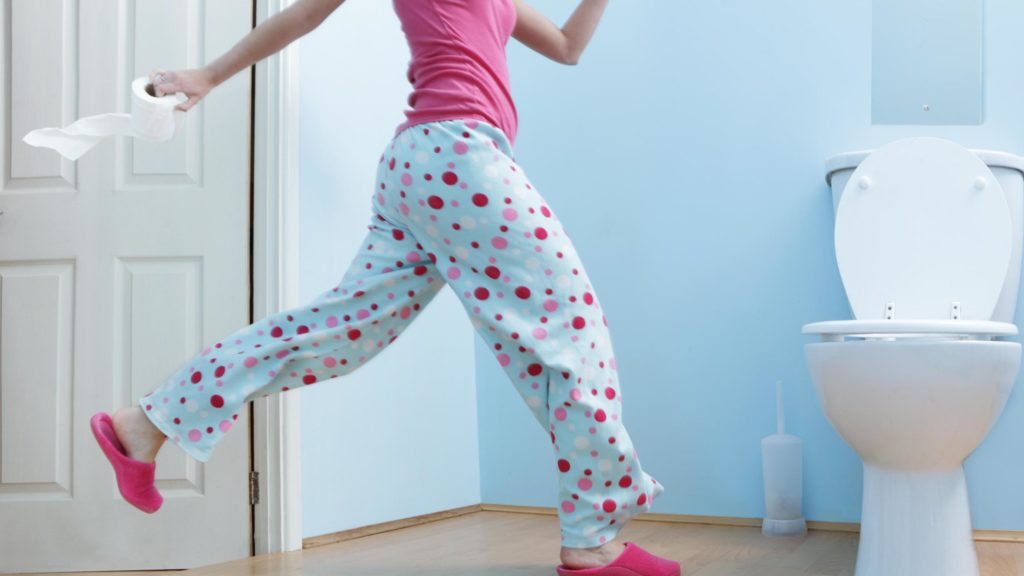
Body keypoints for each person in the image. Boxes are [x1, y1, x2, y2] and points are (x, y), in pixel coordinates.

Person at [92, 1, 680, 574]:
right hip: (457, 157)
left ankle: (147, 423)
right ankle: (593, 539)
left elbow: (567, 47)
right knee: (572, 331)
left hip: (423, 168)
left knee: (340, 333)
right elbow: (305, 13)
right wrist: (208, 75)